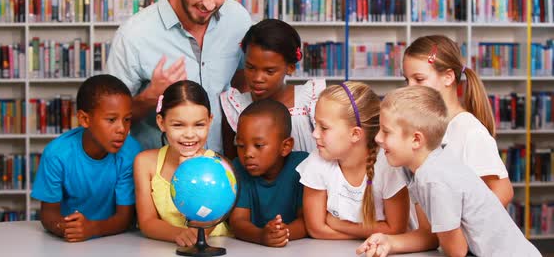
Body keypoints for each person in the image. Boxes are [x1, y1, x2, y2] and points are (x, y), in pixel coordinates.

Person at [106, 0, 252, 152]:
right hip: (158, 177)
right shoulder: (134, 35)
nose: (210, 4)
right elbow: (109, 120)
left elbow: (243, 78)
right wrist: (150, 97)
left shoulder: (239, 19)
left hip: (222, 172)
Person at [357, 86, 540, 257]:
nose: (378, 138)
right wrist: (389, 242)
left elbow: (457, 251)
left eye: (386, 132)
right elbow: (433, 237)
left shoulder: (435, 179)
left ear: (416, 140)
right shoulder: (420, 168)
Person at [402, 35, 513, 206]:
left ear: (448, 77)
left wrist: (459, 229)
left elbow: (503, 192)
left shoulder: (470, 132)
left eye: (419, 79)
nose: (409, 87)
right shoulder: (425, 126)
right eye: (406, 80)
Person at [31, 74, 141, 242]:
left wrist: (92, 229)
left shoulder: (131, 152)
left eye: (127, 120)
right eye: (111, 120)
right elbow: (48, 214)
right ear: (84, 119)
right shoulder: (56, 154)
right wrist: (67, 228)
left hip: (118, 240)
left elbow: (124, 218)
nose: (122, 129)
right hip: (70, 244)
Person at [296, 82, 410, 240]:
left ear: (355, 134)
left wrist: (339, 225)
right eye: (316, 124)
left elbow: (396, 228)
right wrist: (372, 232)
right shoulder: (317, 160)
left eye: (324, 127)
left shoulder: (388, 165)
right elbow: (316, 229)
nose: (314, 134)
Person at [133, 80, 231, 247]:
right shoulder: (144, 163)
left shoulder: (219, 165)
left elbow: (212, 218)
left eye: (199, 124)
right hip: (163, 248)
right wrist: (181, 234)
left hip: (215, 246)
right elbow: (147, 222)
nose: (189, 134)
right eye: (178, 125)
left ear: (209, 121)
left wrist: (192, 174)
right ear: (161, 122)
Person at [220, 19, 325, 158]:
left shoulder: (310, 101)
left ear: (290, 67)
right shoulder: (235, 107)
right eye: (250, 67)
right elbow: (231, 165)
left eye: (269, 71)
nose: (257, 78)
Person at [229, 99, 308, 247]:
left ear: (285, 146)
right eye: (240, 145)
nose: (248, 153)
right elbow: (238, 222)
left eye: (258, 145)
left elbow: (308, 221)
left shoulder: (303, 166)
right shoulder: (238, 168)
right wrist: (261, 236)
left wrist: (283, 233)